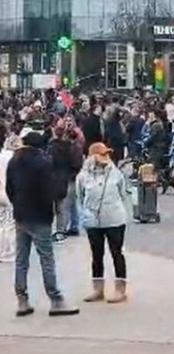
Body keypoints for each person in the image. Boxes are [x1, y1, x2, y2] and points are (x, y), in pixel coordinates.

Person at [8, 129, 79, 317]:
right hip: (40, 216)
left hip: (21, 215)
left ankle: (22, 299)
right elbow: (50, 190)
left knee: (21, 259)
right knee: (46, 258)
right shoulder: (44, 163)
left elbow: (9, 188)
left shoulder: (14, 162)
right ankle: (55, 299)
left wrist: (18, 204)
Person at [76, 142, 130, 303]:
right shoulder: (83, 176)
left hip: (115, 219)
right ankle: (98, 289)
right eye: (101, 154)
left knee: (116, 253)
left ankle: (121, 289)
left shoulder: (116, 174)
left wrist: (123, 212)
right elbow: (80, 196)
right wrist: (86, 214)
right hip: (93, 221)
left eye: (106, 154)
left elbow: (124, 194)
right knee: (96, 255)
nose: (105, 158)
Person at [48, 123, 84, 243]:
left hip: (54, 178)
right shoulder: (73, 147)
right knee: (67, 205)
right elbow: (78, 163)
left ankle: (60, 229)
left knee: (60, 206)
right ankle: (67, 228)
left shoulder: (52, 147)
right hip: (70, 177)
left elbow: (48, 162)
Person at [0, 135, 20, 263]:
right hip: (9, 192)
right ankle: (9, 252)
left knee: (1, 222)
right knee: (10, 224)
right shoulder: (13, 157)